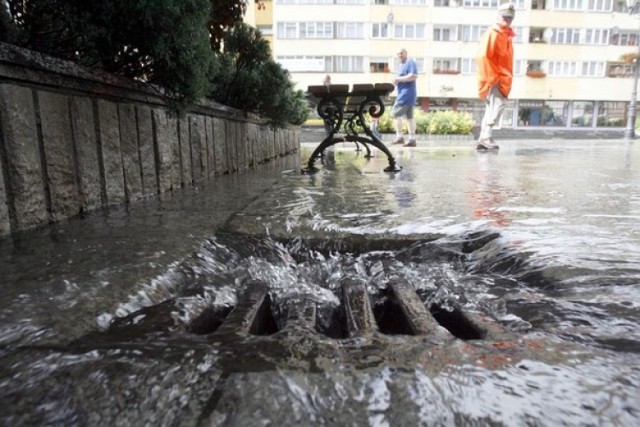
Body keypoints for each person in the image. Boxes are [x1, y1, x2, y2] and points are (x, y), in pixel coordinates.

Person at [475, 2, 516, 151]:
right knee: (498, 106)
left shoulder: (505, 35)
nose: (507, 20)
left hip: (500, 78)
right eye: (504, 17)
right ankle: (486, 136)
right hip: (495, 78)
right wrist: (493, 78)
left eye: (509, 18)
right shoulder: (494, 33)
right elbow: (482, 56)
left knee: (492, 108)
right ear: (498, 16)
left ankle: (483, 138)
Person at [391, 48, 418, 147]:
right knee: (409, 117)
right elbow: (403, 79)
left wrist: (398, 79)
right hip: (408, 94)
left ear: (406, 53)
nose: (400, 55)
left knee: (395, 114)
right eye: (398, 54)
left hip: (406, 94)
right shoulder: (401, 65)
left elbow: (413, 76)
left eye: (401, 53)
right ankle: (412, 140)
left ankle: (399, 137)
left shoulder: (410, 62)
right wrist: (396, 81)